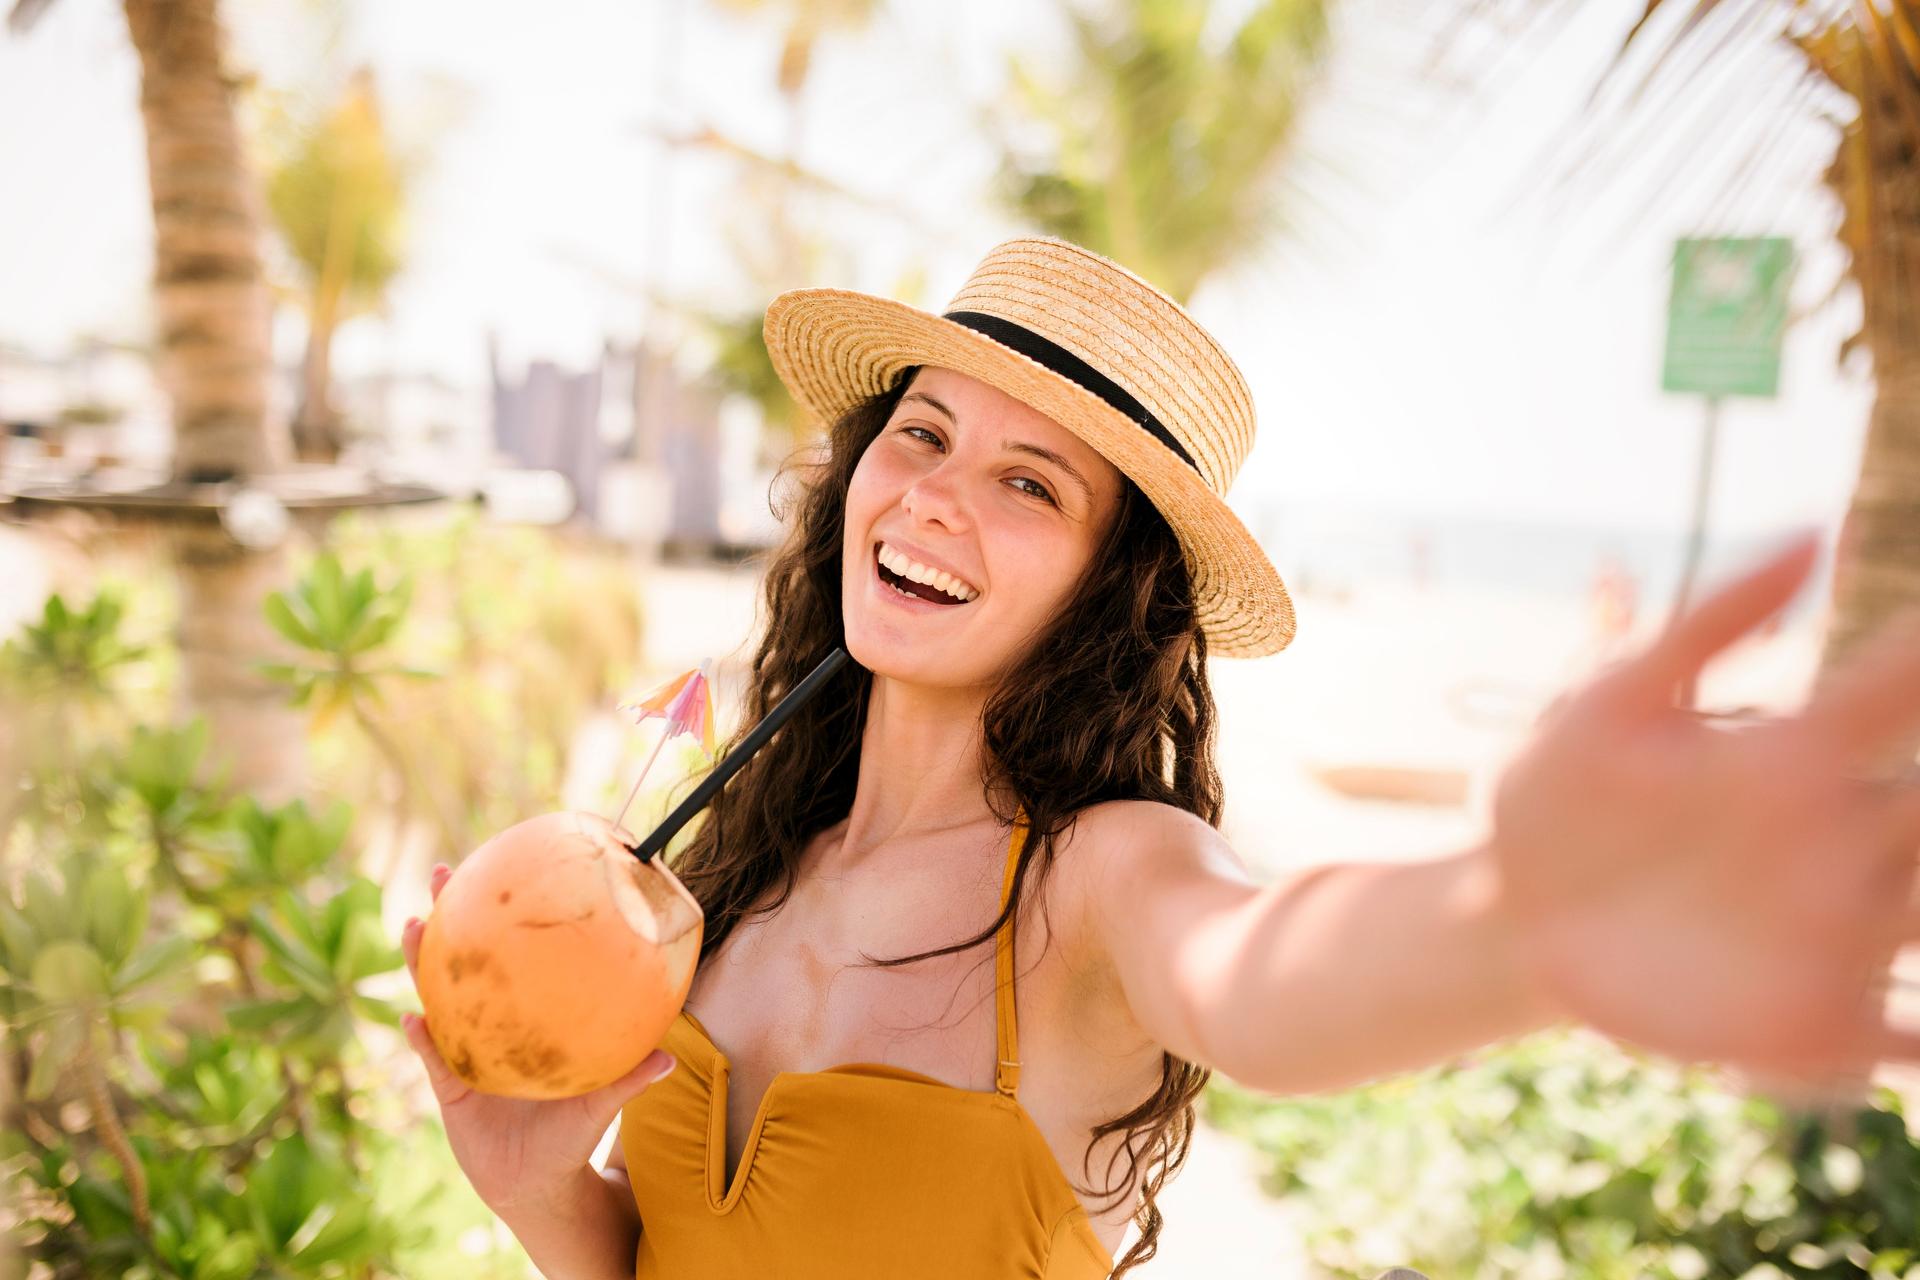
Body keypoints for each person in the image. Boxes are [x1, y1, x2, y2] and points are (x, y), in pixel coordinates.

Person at [397, 237, 1920, 1280]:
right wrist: (541, 1192)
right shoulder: (735, 874)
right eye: (921, 434)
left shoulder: (1099, 880)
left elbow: (1269, 975)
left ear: (1108, 590)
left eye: (1027, 482)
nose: (933, 497)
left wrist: (1526, 921)